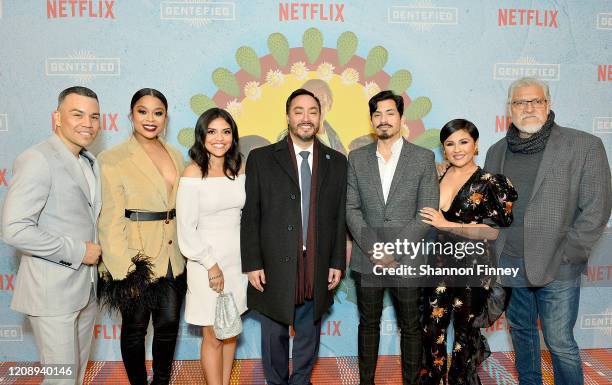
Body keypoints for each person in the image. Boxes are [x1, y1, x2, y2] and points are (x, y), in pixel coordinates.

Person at [485, 77, 611, 384]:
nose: (528, 108)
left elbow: (597, 207)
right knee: (523, 336)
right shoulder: (495, 151)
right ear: (509, 109)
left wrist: (569, 255)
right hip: (510, 263)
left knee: (559, 343)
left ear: (548, 104)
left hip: (558, 265)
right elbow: (489, 209)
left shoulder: (583, 145)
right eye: (520, 102)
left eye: (536, 101)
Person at [241, 88, 347, 385]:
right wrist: (252, 262)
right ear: (287, 116)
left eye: (312, 112)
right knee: (273, 334)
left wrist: (337, 261)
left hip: (317, 261)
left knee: (308, 332)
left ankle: (301, 381)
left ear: (320, 117)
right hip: (273, 262)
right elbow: (251, 214)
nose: (305, 118)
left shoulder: (337, 162)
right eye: (298, 111)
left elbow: (339, 217)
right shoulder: (261, 159)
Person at [1, 86, 102, 384]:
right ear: (56, 118)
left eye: (94, 116)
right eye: (78, 114)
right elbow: (14, 228)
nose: (88, 123)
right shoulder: (37, 159)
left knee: (77, 375)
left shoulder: (89, 161)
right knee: (62, 380)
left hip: (86, 289)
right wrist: (77, 251)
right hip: (51, 292)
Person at [346, 90, 439, 385]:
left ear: (401, 117)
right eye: (377, 114)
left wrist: (395, 251)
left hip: (407, 259)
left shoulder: (423, 158)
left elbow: (426, 212)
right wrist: (375, 248)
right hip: (367, 256)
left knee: (411, 328)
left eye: (389, 113)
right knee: (368, 326)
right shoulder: (357, 158)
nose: (383, 119)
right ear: (371, 120)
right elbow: (351, 208)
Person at [97, 88, 186, 385]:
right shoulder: (113, 158)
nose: (150, 119)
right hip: (137, 259)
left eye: (158, 113)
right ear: (131, 115)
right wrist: (124, 271)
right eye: (143, 111)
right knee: (135, 328)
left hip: (174, 256)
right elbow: (109, 219)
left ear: (166, 118)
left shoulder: (175, 155)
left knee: (169, 325)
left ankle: (161, 382)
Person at [418, 119, 517, 385]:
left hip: (472, 266)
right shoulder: (437, 175)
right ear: (443, 148)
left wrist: (446, 224)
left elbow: (491, 231)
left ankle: (460, 381)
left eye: (464, 142)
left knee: (465, 333)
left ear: (475, 145)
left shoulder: (489, 183)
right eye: (450, 143)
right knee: (432, 329)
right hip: (438, 263)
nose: (457, 149)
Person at [176, 108, 247, 385]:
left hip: (237, 263)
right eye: (212, 131)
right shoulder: (193, 172)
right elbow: (186, 228)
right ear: (201, 136)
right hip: (207, 265)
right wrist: (210, 264)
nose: (220, 138)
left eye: (226, 132)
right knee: (213, 334)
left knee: (231, 331)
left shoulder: (238, 167)